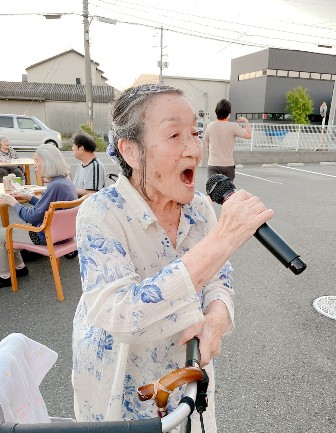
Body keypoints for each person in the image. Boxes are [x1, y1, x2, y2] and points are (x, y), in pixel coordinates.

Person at [72, 84, 274, 432]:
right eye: (175, 135)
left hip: (188, 373)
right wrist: (222, 240)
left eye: (195, 133)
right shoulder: (100, 214)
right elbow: (120, 312)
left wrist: (217, 317)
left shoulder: (199, 207)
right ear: (131, 151)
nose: (194, 149)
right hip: (123, 384)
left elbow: (218, 279)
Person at [0, 143, 77, 289]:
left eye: (37, 161)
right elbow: (48, 207)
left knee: (2, 234)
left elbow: (32, 217)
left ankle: (4, 276)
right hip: (63, 235)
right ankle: (20, 268)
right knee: (9, 232)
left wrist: (14, 202)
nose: (34, 165)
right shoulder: (65, 182)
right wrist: (30, 198)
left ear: (47, 162)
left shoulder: (54, 186)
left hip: (44, 236)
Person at [204, 99, 252, 182]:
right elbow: (249, 135)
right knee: (228, 193)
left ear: (216, 112)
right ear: (228, 113)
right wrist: (246, 121)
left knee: (212, 191)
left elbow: (207, 145)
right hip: (228, 166)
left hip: (213, 165)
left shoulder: (210, 126)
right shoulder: (233, 126)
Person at [72, 132, 106, 197]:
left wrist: (70, 189)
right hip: (77, 204)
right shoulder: (80, 166)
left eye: (74, 148)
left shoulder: (95, 166)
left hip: (87, 206)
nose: (72, 150)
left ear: (81, 148)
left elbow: (93, 192)